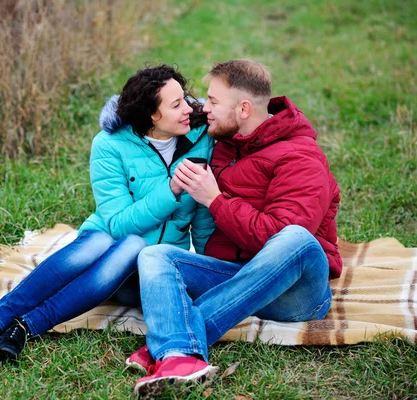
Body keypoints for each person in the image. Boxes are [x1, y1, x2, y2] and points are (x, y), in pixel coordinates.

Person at [0, 65, 216, 365]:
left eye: (184, 98)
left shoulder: (202, 140)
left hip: (150, 270)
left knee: (136, 246)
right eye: (176, 104)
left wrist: (208, 267)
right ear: (152, 115)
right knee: (104, 241)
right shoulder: (109, 145)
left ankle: (28, 325)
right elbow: (117, 223)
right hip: (104, 244)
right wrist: (170, 191)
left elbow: (204, 214)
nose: (188, 108)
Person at [130, 59, 342, 397]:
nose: (203, 108)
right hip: (237, 274)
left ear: (244, 109)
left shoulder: (302, 157)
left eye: (212, 102)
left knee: (296, 238)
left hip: (296, 292)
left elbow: (278, 239)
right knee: (156, 256)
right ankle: (179, 358)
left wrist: (214, 200)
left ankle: (173, 342)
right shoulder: (228, 139)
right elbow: (150, 110)